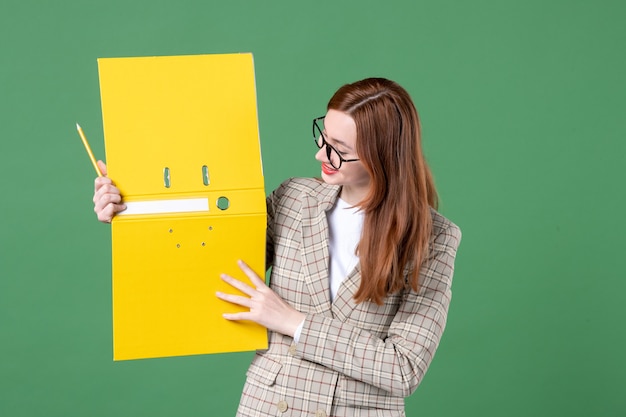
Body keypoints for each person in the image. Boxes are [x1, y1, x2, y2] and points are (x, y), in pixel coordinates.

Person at [93, 77, 461, 417]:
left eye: (339, 149)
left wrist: (291, 321)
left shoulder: (434, 238)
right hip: (269, 405)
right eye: (323, 137)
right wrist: (132, 210)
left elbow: (403, 368)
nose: (320, 155)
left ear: (382, 156)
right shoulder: (295, 198)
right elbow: (205, 258)